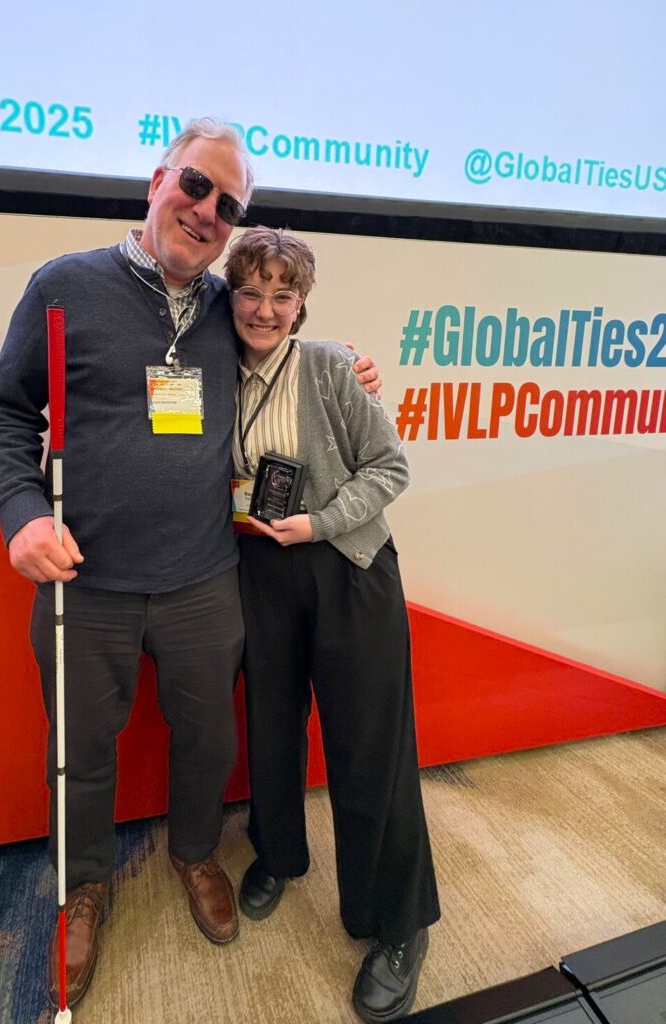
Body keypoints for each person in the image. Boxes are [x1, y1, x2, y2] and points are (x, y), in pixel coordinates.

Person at [0, 119, 380, 1010]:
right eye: (194, 186)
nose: (205, 211)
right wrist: (21, 515)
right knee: (81, 751)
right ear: (159, 179)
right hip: (89, 587)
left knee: (209, 740)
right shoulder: (65, 286)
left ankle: (195, 852)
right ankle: (83, 885)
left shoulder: (227, 313)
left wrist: (344, 365)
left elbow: (281, 344)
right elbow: (2, 416)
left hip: (203, 580)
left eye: (226, 205)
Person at [225, 227, 440, 1023]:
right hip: (257, 572)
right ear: (230, 295)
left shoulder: (326, 367)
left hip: (346, 565)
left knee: (369, 748)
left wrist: (319, 522)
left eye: (282, 295)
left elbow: (391, 466)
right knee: (271, 728)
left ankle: (396, 924)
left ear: (302, 304)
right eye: (250, 291)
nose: (264, 309)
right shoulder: (211, 372)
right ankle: (277, 855)